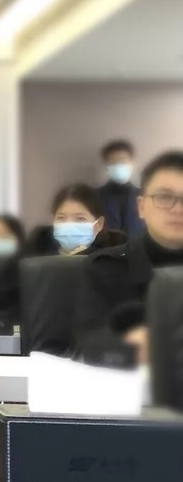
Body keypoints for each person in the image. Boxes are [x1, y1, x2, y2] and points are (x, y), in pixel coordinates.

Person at [75, 151, 183, 363]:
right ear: (141, 207)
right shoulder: (104, 267)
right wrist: (131, 348)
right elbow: (87, 342)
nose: (178, 209)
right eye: (164, 197)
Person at [0, 184, 126, 319]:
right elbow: (2, 303)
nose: (69, 225)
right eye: (61, 218)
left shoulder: (114, 255)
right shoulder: (35, 250)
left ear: (99, 224)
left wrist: (82, 257)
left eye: (80, 219)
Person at [97, 139, 145, 237]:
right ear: (106, 166)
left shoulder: (145, 197)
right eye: (113, 162)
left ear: (132, 165)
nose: (118, 166)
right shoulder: (94, 197)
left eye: (122, 161)